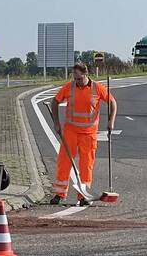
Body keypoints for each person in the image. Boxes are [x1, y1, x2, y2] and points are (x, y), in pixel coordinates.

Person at [49, 62, 117, 206]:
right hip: (70, 132)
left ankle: (83, 196)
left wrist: (111, 121)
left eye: (79, 78)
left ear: (86, 75)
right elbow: (54, 102)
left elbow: (113, 103)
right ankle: (59, 194)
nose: (77, 81)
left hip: (89, 134)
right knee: (64, 163)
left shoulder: (97, 89)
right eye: (75, 78)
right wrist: (56, 123)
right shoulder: (69, 87)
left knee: (86, 166)